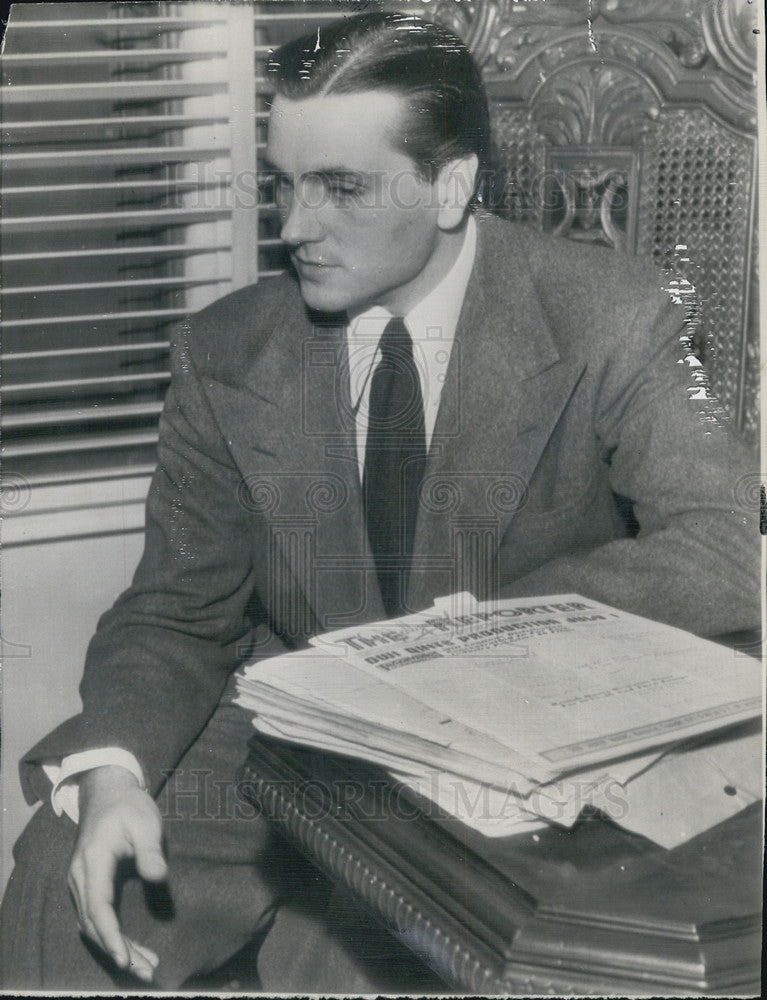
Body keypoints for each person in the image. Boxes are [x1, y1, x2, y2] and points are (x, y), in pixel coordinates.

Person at [0, 10, 758, 992]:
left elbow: (721, 541)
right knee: (57, 878)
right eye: (280, 183)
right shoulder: (226, 349)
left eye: (339, 189)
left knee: (358, 958)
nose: (290, 228)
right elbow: (174, 608)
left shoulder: (605, 314)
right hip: (282, 745)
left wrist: (481, 634)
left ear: (451, 187)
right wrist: (112, 773)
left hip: (507, 744)